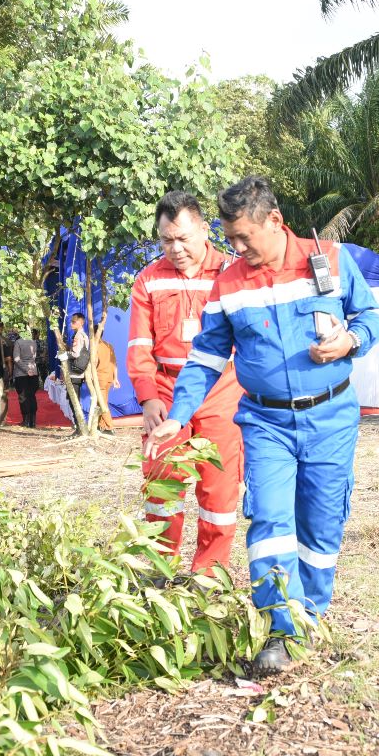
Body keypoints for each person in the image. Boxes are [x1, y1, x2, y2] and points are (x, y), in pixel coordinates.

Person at [145, 176, 379, 677]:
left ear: (274, 221)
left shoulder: (332, 261)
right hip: (266, 421)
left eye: (243, 238)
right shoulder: (228, 284)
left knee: (320, 524)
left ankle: (310, 613)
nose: (235, 248)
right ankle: (280, 627)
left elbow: (369, 316)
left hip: (330, 418)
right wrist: (178, 415)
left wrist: (350, 341)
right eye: (228, 238)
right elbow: (206, 357)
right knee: (271, 522)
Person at [127, 190, 245, 573]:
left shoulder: (232, 273)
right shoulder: (147, 280)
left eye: (183, 238)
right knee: (163, 486)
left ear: (204, 230)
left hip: (221, 393)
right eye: (166, 240)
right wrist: (147, 400)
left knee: (219, 490)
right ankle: (159, 571)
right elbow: (140, 345)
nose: (175, 248)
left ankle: (210, 574)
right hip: (164, 391)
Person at [66, 312, 91, 434]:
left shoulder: (78, 336)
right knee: (75, 399)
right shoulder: (84, 335)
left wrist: (65, 354)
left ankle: (79, 427)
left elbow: (75, 354)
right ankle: (79, 426)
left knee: (74, 400)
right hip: (79, 372)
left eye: (73, 321)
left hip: (75, 373)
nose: (71, 324)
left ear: (81, 322)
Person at [12, 329, 41, 428]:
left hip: (21, 373)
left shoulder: (18, 342)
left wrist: (25, 369)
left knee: (23, 396)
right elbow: (34, 356)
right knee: (32, 396)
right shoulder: (33, 342)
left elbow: (16, 359)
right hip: (33, 370)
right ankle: (33, 420)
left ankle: (26, 420)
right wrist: (30, 369)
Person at [92, 334, 120, 436]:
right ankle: (101, 425)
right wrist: (115, 378)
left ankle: (109, 427)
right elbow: (114, 363)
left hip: (100, 378)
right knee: (102, 402)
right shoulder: (108, 345)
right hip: (109, 377)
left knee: (102, 403)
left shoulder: (94, 346)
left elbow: (94, 363)